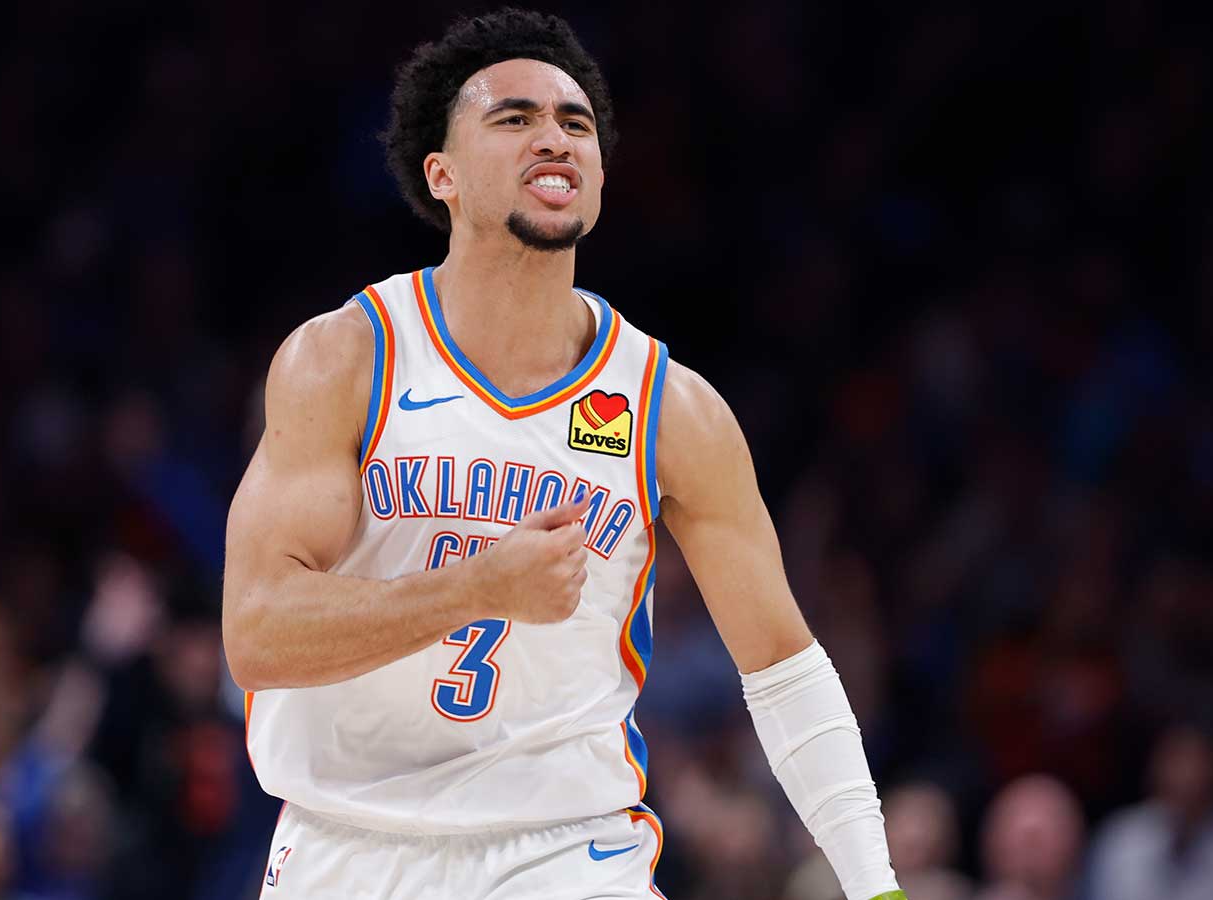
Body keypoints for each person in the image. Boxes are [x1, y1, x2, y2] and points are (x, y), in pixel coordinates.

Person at [222, 9, 904, 899]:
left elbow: (783, 667)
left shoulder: (673, 409)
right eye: (514, 118)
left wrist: (875, 883)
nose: (555, 138)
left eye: (575, 123)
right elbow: (259, 632)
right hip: (347, 844)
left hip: (567, 850)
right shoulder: (346, 359)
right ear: (444, 174)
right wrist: (476, 589)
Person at [1078, 725, 1213, 900]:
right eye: (1173, 789)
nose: (1182, 804)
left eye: (1194, 792)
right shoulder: (1119, 843)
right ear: (1155, 782)